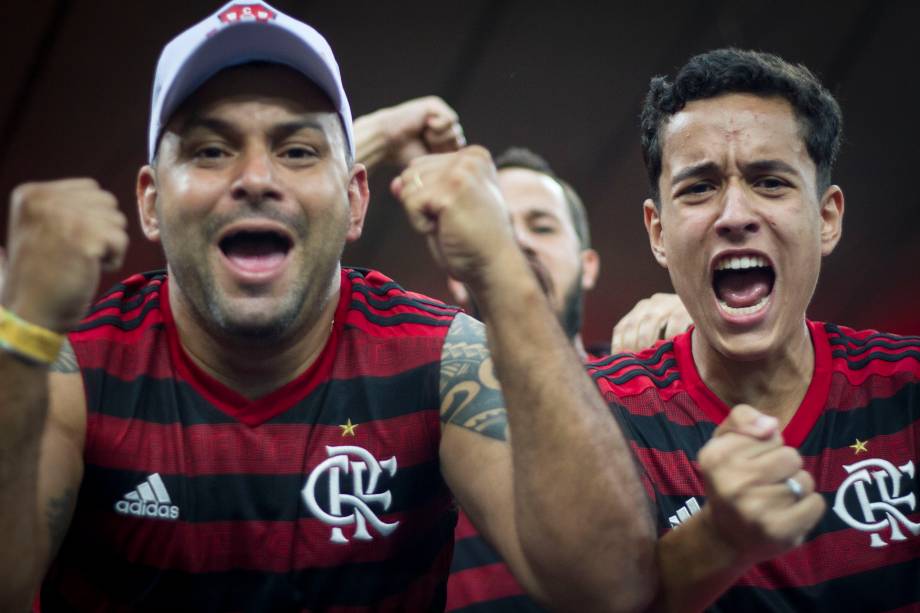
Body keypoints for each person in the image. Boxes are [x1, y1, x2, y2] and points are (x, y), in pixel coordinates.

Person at [0, 2, 655, 611]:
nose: (256, 179)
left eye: (297, 151)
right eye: (210, 149)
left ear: (356, 201)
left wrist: (501, 268)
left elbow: (609, 583)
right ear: (149, 200)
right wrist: (20, 325)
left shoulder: (436, 357)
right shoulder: (72, 365)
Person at [588, 48, 919, 611]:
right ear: (658, 232)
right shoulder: (600, 418)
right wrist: (716, 541)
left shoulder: (910, 390)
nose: (735, 214)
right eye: (699, 187)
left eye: (769, 182)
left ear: (826, 219)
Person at [443, 147, 690, 612]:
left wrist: (700, 343)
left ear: (588, 265)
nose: (516, 243)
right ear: (458, 273)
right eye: (498, 229)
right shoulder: (418, 410)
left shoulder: (648, 379)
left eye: (542, 226)